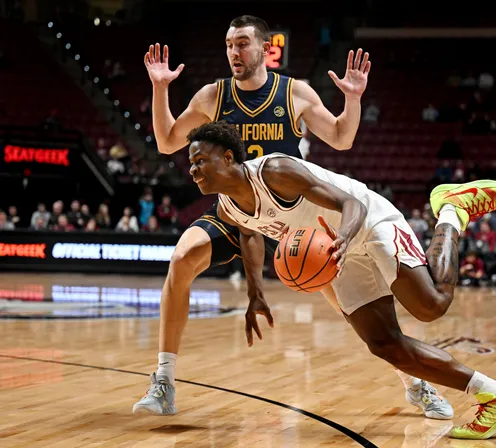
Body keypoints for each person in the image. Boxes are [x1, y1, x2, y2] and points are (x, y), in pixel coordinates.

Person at [134, 15, 451, 420]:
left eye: (243, 43)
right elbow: (166, 141)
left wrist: (352, 99)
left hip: (294, 220)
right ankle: (163, 381)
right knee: (180, 260)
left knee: (352, 308)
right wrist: (161, 89)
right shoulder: (214, 95)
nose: (234, 51)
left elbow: (341, 137)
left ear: (265, 48)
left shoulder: (293, 93)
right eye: (230, 44)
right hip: (238, 211)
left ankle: (415, 383)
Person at [176, 121, 496, 440]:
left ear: (226, 157)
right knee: (384, 344)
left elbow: (351, 204)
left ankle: (451, 209)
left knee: (431, 305)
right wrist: (255, 292)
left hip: (367, 223)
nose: (193, 171)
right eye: (190, 165)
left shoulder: (275, 171)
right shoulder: (226, 206)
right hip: (335, 252)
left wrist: (343, 237)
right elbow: (249, 235)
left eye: (199, 162)